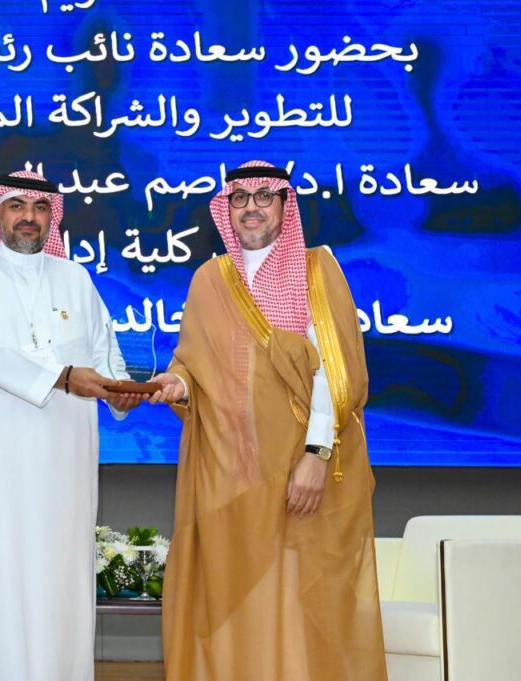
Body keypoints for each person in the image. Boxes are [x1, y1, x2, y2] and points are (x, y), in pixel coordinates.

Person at [151, 160, 387, 680]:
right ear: (227, 208)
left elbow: (335, 372)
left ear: (285, 204)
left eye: (264, 196)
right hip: (228, 477)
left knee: (298, 603)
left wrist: (316, 455)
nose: (251, 207)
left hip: (297, 472)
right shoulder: (210, 279)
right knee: (234, 604)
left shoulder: (317, 270)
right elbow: (193, 365)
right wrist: (177, 385)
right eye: (240, 198)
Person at [0, 170, 143, 681]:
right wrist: (61, 377)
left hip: (61, 465)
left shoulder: (75, 279)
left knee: (60, 581)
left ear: (53, 216)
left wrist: (123, 393)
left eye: (40, 208)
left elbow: (104, 354)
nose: (29, 217)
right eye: (17, 206)